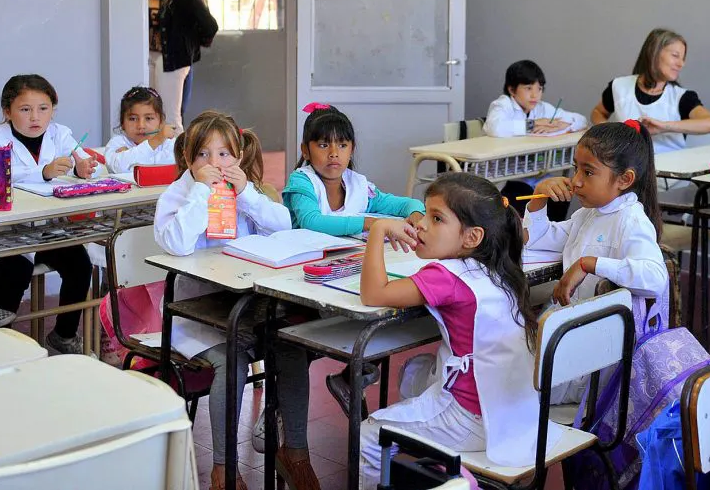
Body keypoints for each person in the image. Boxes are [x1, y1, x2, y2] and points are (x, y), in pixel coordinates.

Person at [355, 172, 554, 490]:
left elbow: (373, 294)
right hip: (515, 414)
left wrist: (378, 230)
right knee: (415, 372)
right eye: (425, 213)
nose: (421, 225)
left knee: (368, 434)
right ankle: (438, 469)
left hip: (473, 419)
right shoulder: (498, 265)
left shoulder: (444, 276)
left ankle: (446, 472)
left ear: (472, 237)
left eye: (436, 219)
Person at [154, 110, 319, 490]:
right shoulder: (177, 195)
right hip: (199, 313)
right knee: (232, 360)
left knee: (292, 349)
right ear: (188, 160)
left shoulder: (246, 190)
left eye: (224, 155)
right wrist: (200, 190)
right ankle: (223, 470)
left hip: (247, 306)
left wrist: (246, 194)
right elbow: (177, 243)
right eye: (203, 156)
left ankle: (295, 454)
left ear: (239, 158)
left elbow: (282, 226)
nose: (215, 165)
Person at [524, 120, 668, 328]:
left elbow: (654, 278)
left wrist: (588, 263)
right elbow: (536, 240)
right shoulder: (588, 215)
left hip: (601, 336)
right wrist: (539, 196)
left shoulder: (630, 220)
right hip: (576, 323)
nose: (576, 181)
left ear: (625, 179)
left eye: (588, 172)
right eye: (576, 169)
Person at [0, 74, 97, 349]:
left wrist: (81, 168)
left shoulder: (59, 133)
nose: (35, 117)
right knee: (15, 271)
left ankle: (63, 336)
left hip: (49, 229)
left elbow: (78, 158)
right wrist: (43, 171)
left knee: (79, 265)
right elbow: (2, 177)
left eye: (44, 108)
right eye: (25, 109)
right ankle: (2, 345)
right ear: (7, 112)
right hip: (9, 232)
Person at [282, 103, 425, 236]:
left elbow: (406, 204)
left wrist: (417, 213)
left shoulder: (358, 186)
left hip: (347, 259)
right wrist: (372, 224)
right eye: (323, 145)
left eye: (342, 145)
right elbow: (312, 222)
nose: (334, 153)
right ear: (305, 150)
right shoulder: (302, 181)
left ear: (352, 150)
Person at [589, 28, 710, 158]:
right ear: (654, 52)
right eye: (675, 55)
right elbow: (598, 112)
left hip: (669, 175)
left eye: (683, 58)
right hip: (627, 170)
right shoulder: (619, 86)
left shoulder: (682, 97)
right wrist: (611, 133)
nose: (681, 64)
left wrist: (664, 126)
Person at [484, 60, 588, 220]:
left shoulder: (541, 107)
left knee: (560, 194)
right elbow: (495, 128)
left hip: (537, 174)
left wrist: (563, 123)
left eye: (539, 89)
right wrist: (533, 124)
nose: (535, 95)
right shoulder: (502, 104)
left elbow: (582, 120)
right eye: (528, 88)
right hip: (508, 178)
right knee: (519, 213)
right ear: (512, 89)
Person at [148, 0, 218, 133]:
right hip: (148, 55)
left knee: (170, 118)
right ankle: (154, 160)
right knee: (150, 112)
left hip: (172, 59)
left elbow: (209, 25)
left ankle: (178, 161)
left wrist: (189, 45)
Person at [104, 86, 177, 173]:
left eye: (149, 118)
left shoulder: (168, 142)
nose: (141, 126)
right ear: (122, 123)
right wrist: (156, 141)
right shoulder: (117, 142)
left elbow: (169, 167)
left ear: (161, 121)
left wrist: (130, 158)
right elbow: (119, 168)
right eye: (133, 119)